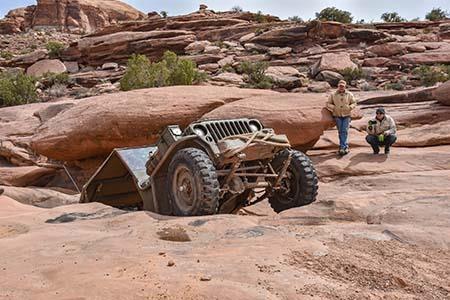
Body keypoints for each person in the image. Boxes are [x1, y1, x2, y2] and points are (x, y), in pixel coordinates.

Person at [326, 80, 357, 155]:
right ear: (338, 86)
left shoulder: (349, 94)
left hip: (346, 115)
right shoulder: (333, 94)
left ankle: (343, 147)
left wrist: (350, 107)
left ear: (345, 86)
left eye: (342, 86)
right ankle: (344, 146)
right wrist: (334, 108)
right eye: (340, 86)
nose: (341, 87)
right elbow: (328, 103)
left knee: (344, 131)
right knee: (340, 131)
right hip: (337, 115)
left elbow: (354, 103)